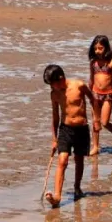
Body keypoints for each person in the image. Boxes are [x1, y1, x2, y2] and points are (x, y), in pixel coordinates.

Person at [43, 64, 96, 208]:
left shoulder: (79, 86)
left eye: (52, 84)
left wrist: (96, 120)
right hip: (65, 129)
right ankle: (57, 196)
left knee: (79, 160)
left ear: (61, 78)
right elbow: (55, 116)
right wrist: (54, 139)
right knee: (62, 160)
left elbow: (93, 100)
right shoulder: (54, 94)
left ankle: (77, 187)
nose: (52, 88)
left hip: (81, 129)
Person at [88, 36, 112, 155]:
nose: (98, 51)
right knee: (95, 121)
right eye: (95, 49)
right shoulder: (93, 63)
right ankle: (96, 146)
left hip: (107, 96)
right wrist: (88, 94)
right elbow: (91, 79)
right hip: (95, 94)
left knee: (104, 122)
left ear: (106, 48)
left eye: (100, 48)